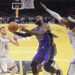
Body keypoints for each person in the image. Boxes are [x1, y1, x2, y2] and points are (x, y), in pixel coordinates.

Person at [40, 3, 75, 75]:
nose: (65, 21)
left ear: (72, 23)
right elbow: (57, 16)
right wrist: (47, 9)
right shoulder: (68, 24)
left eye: (68, 21)